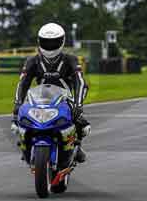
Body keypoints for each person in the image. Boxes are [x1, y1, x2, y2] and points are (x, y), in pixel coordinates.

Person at [13, 23, 90, 163]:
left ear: (62, 41)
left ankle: (77, 146)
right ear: (39, 42)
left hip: (65, 100)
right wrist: (17, 104)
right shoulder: (32, 61)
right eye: (46, 42)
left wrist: (78, 105)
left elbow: (80, 82)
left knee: (82, 124)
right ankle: (26, 145)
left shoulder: (70, 60)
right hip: (39, 100)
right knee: (18, 120)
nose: (50, 46)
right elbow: (23, 83)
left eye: (54, 42)